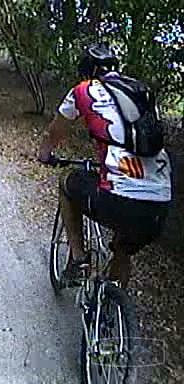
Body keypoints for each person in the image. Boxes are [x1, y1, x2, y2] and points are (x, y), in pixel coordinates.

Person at [38, 43, 172, 287]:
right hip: (160, 204)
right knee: (123, 248)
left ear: (87, 72)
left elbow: (54, 133)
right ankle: (112, 308)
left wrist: (45, 154)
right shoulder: (141, 92)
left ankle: (78, 260)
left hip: (118, 197)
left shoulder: (84, 90)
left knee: (66, 183)